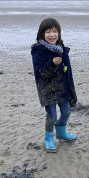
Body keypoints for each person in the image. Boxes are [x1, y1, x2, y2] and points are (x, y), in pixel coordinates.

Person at [31, 18, 77, 153]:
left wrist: (71, 89)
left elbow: (68, 72)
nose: (52, 35)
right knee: (51, 115)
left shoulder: (62, 49)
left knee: (67, 111)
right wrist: (52, 64)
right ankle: (48, 139)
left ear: (59, 33)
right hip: (47, 89)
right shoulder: (38, 50)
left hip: (62, 87)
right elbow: (41, 72)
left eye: (55, 31)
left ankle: (61, 132)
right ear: (42, 34)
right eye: (48, 32)